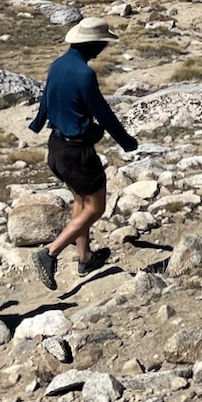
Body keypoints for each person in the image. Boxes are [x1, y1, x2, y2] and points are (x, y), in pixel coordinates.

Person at [28, 16, 138, 290]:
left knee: (80, 201)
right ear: (92, 44)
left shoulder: (58, 65)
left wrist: (38, 123)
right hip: (78, 152)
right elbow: (102, 111)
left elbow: (46, 98)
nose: (102, 49)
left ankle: (85, 257)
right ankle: (50, 252)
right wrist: (126, 141)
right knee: (96, 207)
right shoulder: (84, 74)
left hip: (57, 147)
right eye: (101, 44)